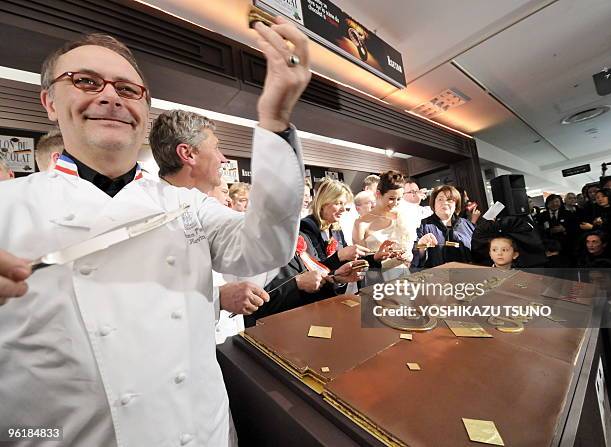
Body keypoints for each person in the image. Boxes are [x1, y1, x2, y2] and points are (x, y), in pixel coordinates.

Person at [0, 16, 311, 446]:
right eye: (85, 81)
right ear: (50, 103)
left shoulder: (186, 204)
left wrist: (275, 116)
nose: (110, 95)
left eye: (127, 89)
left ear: (144, 111)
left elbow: (266, 246)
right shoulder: (8, 209)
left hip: (201, 431)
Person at [148, 110, 272, 344]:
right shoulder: (149, 212)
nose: (223, 158)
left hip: (226, 342)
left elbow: (256, 249)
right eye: (215, 148)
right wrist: (217, 299)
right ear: (188, 153)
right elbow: (145, 304)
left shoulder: (205, 209)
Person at [300, 178, 392, 286]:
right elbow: (312, 270)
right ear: (323, 202)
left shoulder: (335, 228)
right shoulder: (306, 226)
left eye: (344, 204)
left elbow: (348, 260)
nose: (343, 209)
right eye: (338, 203)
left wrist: (375, 257)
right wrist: (340, 255)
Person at [353, 171, 411, 279]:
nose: (395, 203)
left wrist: (407, 255)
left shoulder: (400, 217)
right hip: (377, 279)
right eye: (391, 199)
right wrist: (376, 258)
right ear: (378, 194)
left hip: (402, 275)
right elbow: (359, 263)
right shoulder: (361, 223)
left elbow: (408, 248)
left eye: (399, 199)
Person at [413, 185, 475, 268]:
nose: (445, 202)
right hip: (437, 277)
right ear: (433, 204)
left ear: (456, 204)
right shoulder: (423, 225)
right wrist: (421, 246)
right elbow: (416, 258)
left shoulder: (467, 225)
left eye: (449, 200)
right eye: (440, 199)